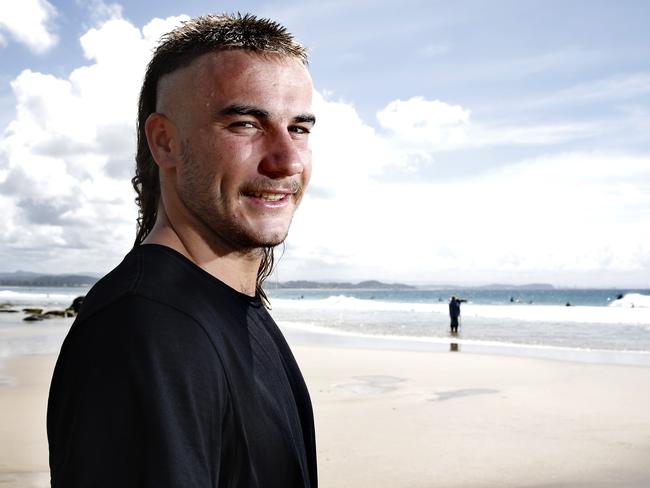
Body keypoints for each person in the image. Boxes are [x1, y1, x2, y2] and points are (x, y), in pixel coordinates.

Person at [47, 14, 317, 488]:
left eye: (298, 128)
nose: (287, 160)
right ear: (165, 142)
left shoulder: (233, 309)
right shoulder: (143, 334)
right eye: (245, 124)